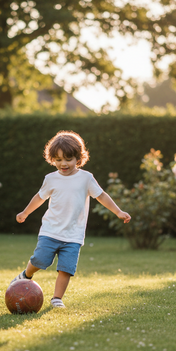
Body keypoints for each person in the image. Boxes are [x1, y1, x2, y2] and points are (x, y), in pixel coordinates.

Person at [12, 130, 131, 308]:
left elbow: (101, 196)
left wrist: (118, 211)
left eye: (68, 159)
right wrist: (25, 212)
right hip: (51, 230)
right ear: (52, 159)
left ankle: (57, 298)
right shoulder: (50, 179)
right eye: (58, 160)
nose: (63, 164)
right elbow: (39, 197)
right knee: (40, 259)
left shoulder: (86, 178)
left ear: (78, 157)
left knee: (66, 269)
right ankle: (26, 275)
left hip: (73, 235)